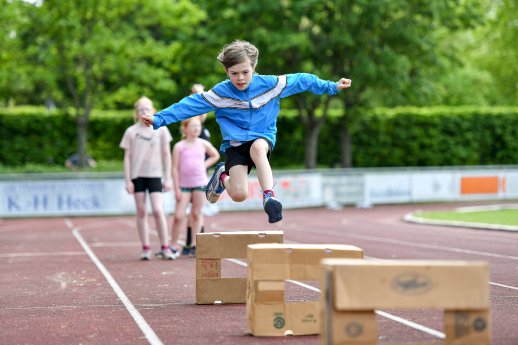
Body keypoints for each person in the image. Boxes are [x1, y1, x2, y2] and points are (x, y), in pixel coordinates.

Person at [142, 40, 352, 223]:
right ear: (226, 72)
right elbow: (188, 106)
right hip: (235, 145)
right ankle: (222, 175)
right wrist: (159, 118)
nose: (240, 78)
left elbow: (302, 80)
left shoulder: (271, 85)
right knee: (239, 195)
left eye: (245, 72)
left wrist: (331, 87)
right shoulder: (220, 93)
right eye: (234, 74)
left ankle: (269, 195)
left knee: (259, 148)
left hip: (262, 137)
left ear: (254, 67)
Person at [120, 96, 176, 261]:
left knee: (158, 210)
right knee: (142, 211)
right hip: (137, 176)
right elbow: (127, 157)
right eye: (141, 109)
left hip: (155, 175)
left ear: (153, 111)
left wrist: (168, 177)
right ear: (136, 113)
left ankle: (165, 247)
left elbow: (167, 155)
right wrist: (128, 180)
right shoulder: (131, 132)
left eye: (147, 109)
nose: (144, 112)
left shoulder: (161, 129)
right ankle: (145, 247)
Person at [170, 116, 220, 257]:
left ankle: (195, 244)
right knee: (178, 216)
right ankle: (173, 245)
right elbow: (174, 168)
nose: (196, 129)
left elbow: (215, 155)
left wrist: (204, 165)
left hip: (199, 183)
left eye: (198, 126)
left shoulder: (203, 144)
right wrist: (176, 188)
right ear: (185, 129)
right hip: (184, 186)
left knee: (197, 214)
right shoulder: (179, 146)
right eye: (193, 126)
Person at [183, 83, 213, 256]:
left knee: (196, 210)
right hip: (190, 176)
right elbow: (201, 109)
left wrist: (204, 166)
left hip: (201, 174)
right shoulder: (192, 126)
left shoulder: (204, 130)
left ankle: (194, 243)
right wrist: (198, 93)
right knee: (192, 211)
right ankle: (190, 243)